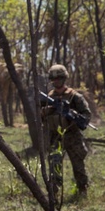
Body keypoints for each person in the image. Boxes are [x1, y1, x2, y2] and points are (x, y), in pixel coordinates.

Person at [40, 64, 92, 198]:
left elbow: (86, 115)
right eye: (54, 79)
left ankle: (82, 190)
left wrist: (73, 115)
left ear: (64, 79)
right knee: (54, 164)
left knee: (78, 164)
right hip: (55, 136)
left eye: (59, 78)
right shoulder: (47, 98)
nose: (56, 81)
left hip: (72, 135)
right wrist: (47, 111)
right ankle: (54, 192)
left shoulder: (75, 97)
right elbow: (40, 117)